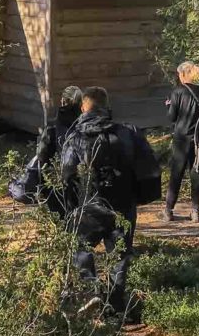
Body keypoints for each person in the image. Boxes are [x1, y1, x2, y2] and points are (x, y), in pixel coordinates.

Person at [60, 86, 140, 321]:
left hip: (89, 204)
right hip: (123, 205)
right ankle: (114, 309)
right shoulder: (127, 132)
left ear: (84, 107)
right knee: (120, 255)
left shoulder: (75, 137)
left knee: (79, 247)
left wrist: (72, 203)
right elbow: (143, 167)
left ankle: (93, 290)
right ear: (106, 105)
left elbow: (66, 173)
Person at [164, 61, 199, 223]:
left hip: (181, 139)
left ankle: (168, 211)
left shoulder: (177, 92)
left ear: (182, 74)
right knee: (197, 174)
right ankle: (195, 211)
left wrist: (168, 106)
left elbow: (171, 117)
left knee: (176, 174)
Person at [34, 86, 83, 217]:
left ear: (62, 101)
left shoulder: (53, 125)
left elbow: (42, 156)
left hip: (58, 179)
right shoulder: (87, 123)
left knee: (62, 218)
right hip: (85, 179)